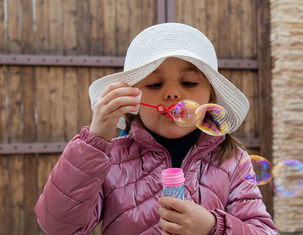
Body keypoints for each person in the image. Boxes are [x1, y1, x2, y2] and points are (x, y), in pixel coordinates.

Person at [35, 23, 277, 235]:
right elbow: (59, 226)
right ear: (134, 101)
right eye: (154, 83)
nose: (172, 93)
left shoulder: (233, 161)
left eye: (189, 82)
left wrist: (213, 226)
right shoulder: (110, 160)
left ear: (210, 97)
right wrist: (95, 140)